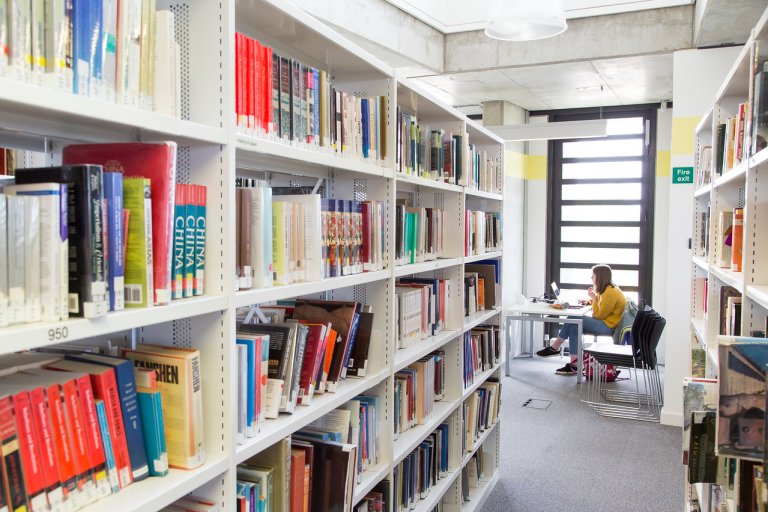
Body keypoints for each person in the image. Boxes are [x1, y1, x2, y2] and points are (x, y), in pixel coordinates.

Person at [536, 264, 628, 376]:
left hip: (609, 327)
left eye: (593, 276)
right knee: (575, 326)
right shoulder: (607, 289)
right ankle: (575, 365)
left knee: (574, 317)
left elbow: (598, 315)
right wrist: (589, 300)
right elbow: (601, 303)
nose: (591, 278)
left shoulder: (611, 292)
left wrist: (593, 298)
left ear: (600, 277)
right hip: (606, 323)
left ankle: (555, 347)